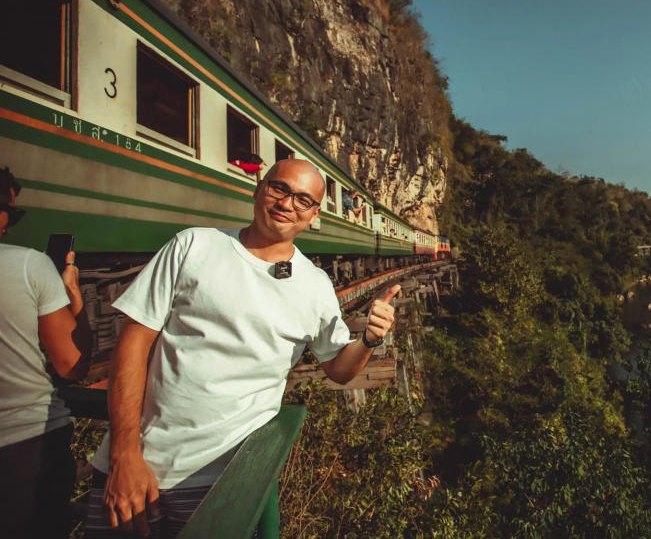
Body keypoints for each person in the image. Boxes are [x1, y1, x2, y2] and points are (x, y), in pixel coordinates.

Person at [85, 159, 400, 537]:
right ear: (259, 187)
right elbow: (133, 344)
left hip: (225, 483)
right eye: (279, 189)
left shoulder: (315, 286)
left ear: (314, 214)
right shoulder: (193, 245)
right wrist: (124, 454)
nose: (286, 204)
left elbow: (339, 369)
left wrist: (368, 338)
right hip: (136, 466)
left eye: (302, 200)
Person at [0, 165, 91, 539]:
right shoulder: (27, 264)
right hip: (26, 443)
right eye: (12, 211)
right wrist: (74, 297)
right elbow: (73, 366)